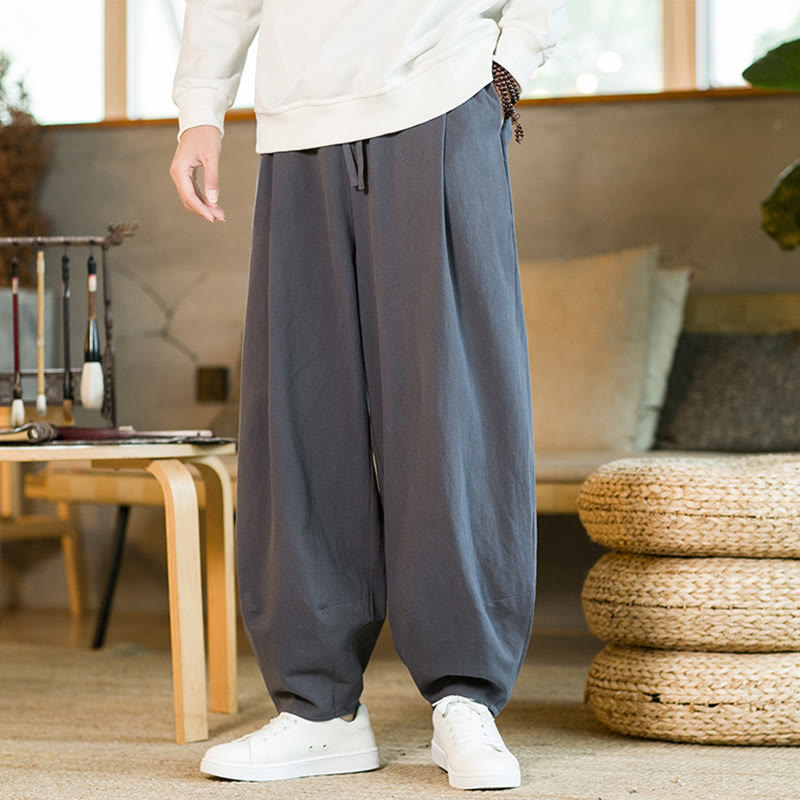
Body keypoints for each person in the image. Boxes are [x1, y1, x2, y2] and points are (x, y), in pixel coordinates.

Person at [169, 0, 566, 790]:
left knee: (448, 412)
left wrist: (510, 63)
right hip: (296, 123)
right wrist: (200, 109)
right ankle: (320, 710)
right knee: (302, 414)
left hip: (439, 94)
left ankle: (464, 697)